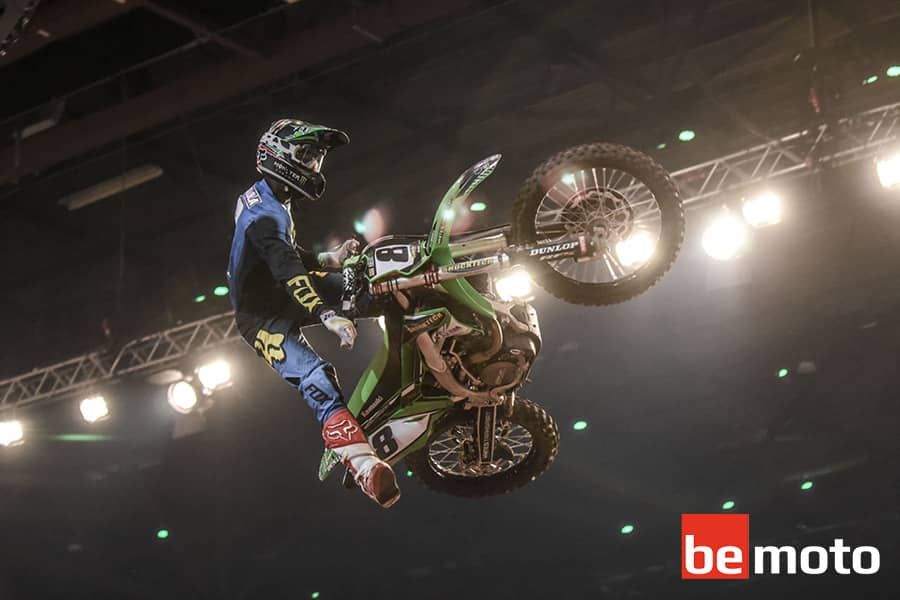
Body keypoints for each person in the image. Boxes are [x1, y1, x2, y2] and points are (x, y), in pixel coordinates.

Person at [226, 118, 400, 508]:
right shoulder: (264, 216)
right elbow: (287, 270)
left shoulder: (264, 198)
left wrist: (326, 259)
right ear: (279, 157)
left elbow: (285, 256)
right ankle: (363, 465)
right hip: (260, 318)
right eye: (307, 156)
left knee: (371, 290)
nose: (315, 166)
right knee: (314, 375)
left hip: (280, 288)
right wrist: (325, 314)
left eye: (317, 158)